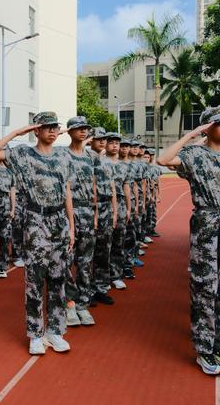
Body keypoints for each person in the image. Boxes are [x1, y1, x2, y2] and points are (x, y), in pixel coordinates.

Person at [158, 105, 220, 375]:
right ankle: (204, 350)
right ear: (208, 128)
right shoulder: (195, 155)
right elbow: (163, 159)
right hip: (206, 225)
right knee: (205, 288)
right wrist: (193, 134)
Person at [0, 111, 75, 355]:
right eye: (47, 127)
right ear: (36, 130)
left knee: (58, 279)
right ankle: (35, 334)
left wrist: (71, 225)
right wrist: (16, 133)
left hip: (59, 221)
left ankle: (55, 331)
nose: (52, 131)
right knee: (35, 279)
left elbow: (67, 190)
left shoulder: (63, 157)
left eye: (55, 127)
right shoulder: (23, 155)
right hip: (36, 220)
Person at [58, 116, 98, 327]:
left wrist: (96, 214)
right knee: (66, 260)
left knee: (85, 263)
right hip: (67, 212)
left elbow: (94, 186)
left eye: (85, 128)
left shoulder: (91, 156)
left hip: (87, 211)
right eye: (78, 128)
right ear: (70, 131)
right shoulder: (61, 154)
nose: (83, 132)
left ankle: (83, 304)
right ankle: (70, 302)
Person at [89, 127, 118, 307]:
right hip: (91, 208)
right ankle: (87, 290)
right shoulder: (86, 159)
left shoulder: (108, 163)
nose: (102, 142)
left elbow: (113, 187)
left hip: (107, 207)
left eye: (104, 139)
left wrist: (115, 212)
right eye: (98, 139)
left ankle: (101, 287)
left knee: (104, 250)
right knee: (88, 253)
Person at [106, 133, 131, 289]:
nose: (115, 146)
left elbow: (126, 187)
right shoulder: (99, 162)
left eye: (117, 143)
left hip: (120, 204)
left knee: (118, 240)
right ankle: (102, 277)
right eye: (111, 143)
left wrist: (128, 208)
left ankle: (115, 274)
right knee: (102, 243)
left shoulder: (124, 166)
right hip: (104, 204)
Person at [120, 139, 138, 279]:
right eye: (123, 146)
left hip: (128, 203)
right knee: (119, 239)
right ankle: (120, 267)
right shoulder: (113, 164)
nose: (125, 149)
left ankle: (128, 264)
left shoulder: (131, 166)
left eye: (127, 146)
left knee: (130, 235)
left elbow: (134, 185)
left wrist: (135, 204)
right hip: (117, 205)